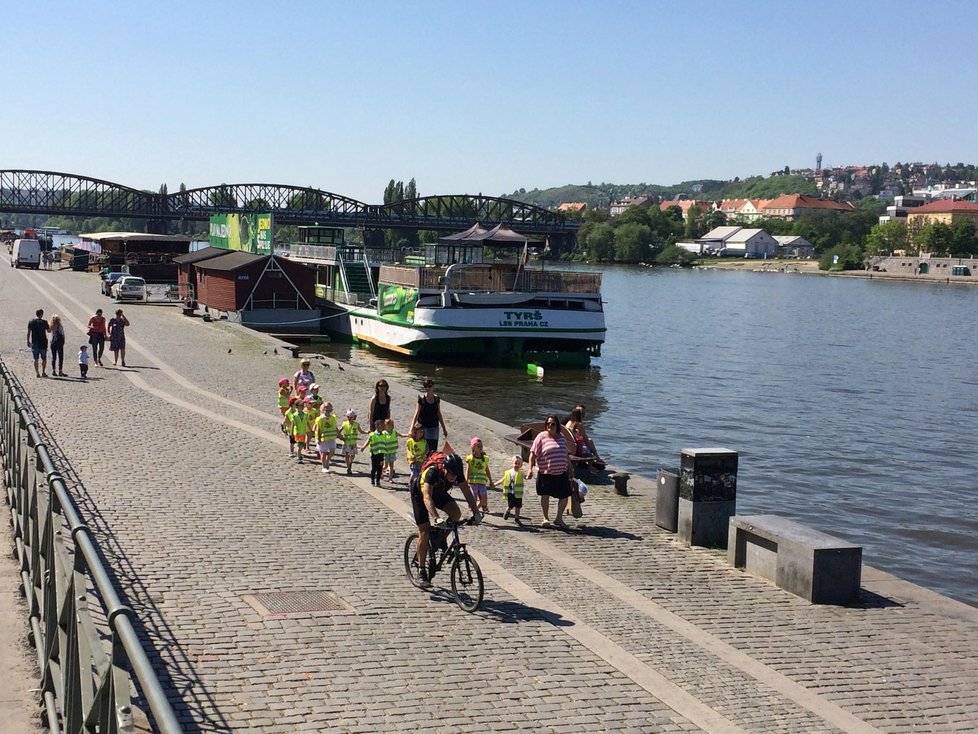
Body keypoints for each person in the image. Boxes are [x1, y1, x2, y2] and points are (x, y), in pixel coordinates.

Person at [410, 452, 481, 589]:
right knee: (424, 531)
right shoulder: (433, 473)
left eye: (456, 475)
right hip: (420, 494)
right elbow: (427, 497)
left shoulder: (456, 473)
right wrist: (436, 518)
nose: (454, 478)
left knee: (456, 514)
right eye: (452, 475)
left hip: (439, 492)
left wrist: (476, 513)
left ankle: (440, 536)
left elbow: (467, 492)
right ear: (445, 468)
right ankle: (422, 570)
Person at [526, 414, 575, 529]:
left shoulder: (562, 436)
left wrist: (570, 468)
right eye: (548, 424)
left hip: (561, 473)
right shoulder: (541, 437)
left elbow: (565, 454)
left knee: (565, 495)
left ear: (557, 425)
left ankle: (559, 518)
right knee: (545, 495)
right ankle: (545, 518)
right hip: (546, 472)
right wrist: (530, 469)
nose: (550, 426)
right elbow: (532, 454)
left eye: (553, 424)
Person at [411, 378, 447, 454]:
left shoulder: (436, 399)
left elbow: (439, 414)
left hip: (434, 427)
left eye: (429, 386)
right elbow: (416, 414)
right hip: (423, 427)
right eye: (425, 386)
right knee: (423, 448)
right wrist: (412, 428)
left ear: (433, 386)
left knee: (433, 448)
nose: (427, 388)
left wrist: (444, 428)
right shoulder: (421, 399)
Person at [565, 404, 606, 473]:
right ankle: (591, 466)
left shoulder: (568, 423)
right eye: (582, 414)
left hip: (569, 446)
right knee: (589, 445)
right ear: (579, 415)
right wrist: (591, 447)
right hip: (576, 449)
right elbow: (585, 438)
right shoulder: (579, 424)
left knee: (588, 443)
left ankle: (597, 460)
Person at [465, 437, 494, 515]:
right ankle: (475, 513)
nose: (481, 448)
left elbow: (487, 470)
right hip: (473, 483)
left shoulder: (485, 459)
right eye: (478, 446)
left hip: (482, 483)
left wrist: (491, 481)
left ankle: (476, 511)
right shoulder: (470, 459)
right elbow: (468, 470)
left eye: (481, 446)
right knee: (473, 499)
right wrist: (466, 481)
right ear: (473, 448)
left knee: (484, 500)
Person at [339, 409, 367, 475]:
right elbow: (339, 431)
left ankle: (350, 463)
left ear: (354, 417)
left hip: (353, 443)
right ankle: (348, 468)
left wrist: (366, 432)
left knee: (352, 456)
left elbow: (361, 431)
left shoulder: (356, 424)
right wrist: (340, 437)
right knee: (346, 455)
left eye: (351, 417)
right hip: (346, 442)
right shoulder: (345, 423)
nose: (349, 418)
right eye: (348, 417)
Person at [360, 419, 387, 486]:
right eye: (381, 426)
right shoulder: (372, 435)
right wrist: (363, 447)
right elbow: (368, 441)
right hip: (374, 454)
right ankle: (372, 479)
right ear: (377, 427)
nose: (383, 427)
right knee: (374, 468)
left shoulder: (383, 434)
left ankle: (378, 481)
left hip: (381, 454)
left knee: (380, 468)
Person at [501, 455, 525, 524]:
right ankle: (507, 511)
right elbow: (503, 480)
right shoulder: (509, 472)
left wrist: (529, 475)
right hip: (510, 492)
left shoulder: (521, 473)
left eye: (519, 464)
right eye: (515, 463)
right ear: (512, 463)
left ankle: (517, 518)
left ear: (521, 465)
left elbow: (525, 477)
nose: (517, 465)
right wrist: (494, 484)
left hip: (518, 493)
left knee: (518, 506)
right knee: (511, 505)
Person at [26, 308, 50, 378]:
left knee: (36, 359)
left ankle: (37, 373)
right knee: (44, 359)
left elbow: (28, 332)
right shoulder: (44, 322)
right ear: (42, 314)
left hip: (34, 343)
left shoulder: (31, 322)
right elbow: (49, 331)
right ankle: (43, 372)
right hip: (43, 343)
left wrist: (28, 341)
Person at [315, 402, 337, 473]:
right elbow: (318, 429)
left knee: (332, 451)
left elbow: (335, 427)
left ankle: (327, 461)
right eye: (327, 408)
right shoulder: (320, 419)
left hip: (331, 437)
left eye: (330, 408)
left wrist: (340, 435)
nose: (329, 410)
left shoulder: (333, 418)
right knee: (323, 453)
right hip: (323, 438)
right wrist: (318, 439)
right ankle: (324, 466)